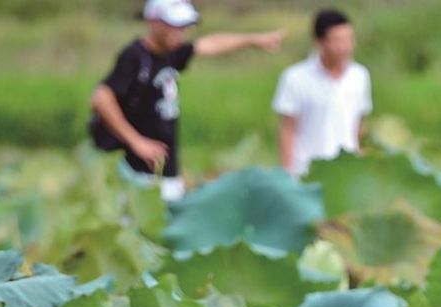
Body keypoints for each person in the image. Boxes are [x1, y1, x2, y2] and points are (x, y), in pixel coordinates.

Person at [90, 0, 282, 203]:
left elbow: (211, 44)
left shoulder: (172, 53)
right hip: (135, 171)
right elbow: (101, 98)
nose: (180, 32)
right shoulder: (135, 56)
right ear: (154, 22)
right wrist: (136, 141)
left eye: (183, 27)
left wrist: (252, 40)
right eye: (174, 26)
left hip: (166, 167)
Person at [273, 9, 369, 178]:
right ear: (319, 42)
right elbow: (287, 129)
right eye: (338, 41)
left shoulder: (359, 76)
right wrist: (286, 174)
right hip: (306, 172)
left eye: (349, 39)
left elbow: (359, 125)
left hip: (346, 172)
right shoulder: (295, 78)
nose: (345, 46)